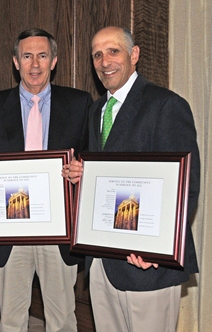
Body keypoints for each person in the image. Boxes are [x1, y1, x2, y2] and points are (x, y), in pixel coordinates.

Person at [63, 26, 200, 331]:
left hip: (147, 264)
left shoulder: (166, 105)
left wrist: (160, 252)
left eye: (113, 51)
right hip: (102, 261)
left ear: (134, 54)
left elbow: (185, 185)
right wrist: (83, 174)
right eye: (97, 54)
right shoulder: (98, 110)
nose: (104, 61)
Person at [0, 28, 92, 332]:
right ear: (15, 61)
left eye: (42, 55)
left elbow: (94, 158)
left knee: (62, 319)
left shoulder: (80, 103)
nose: (34, 64)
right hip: (10, 230)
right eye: (27, 56)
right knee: (11, 320)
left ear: (53, 61)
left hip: (59, 230)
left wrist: (83, 169)